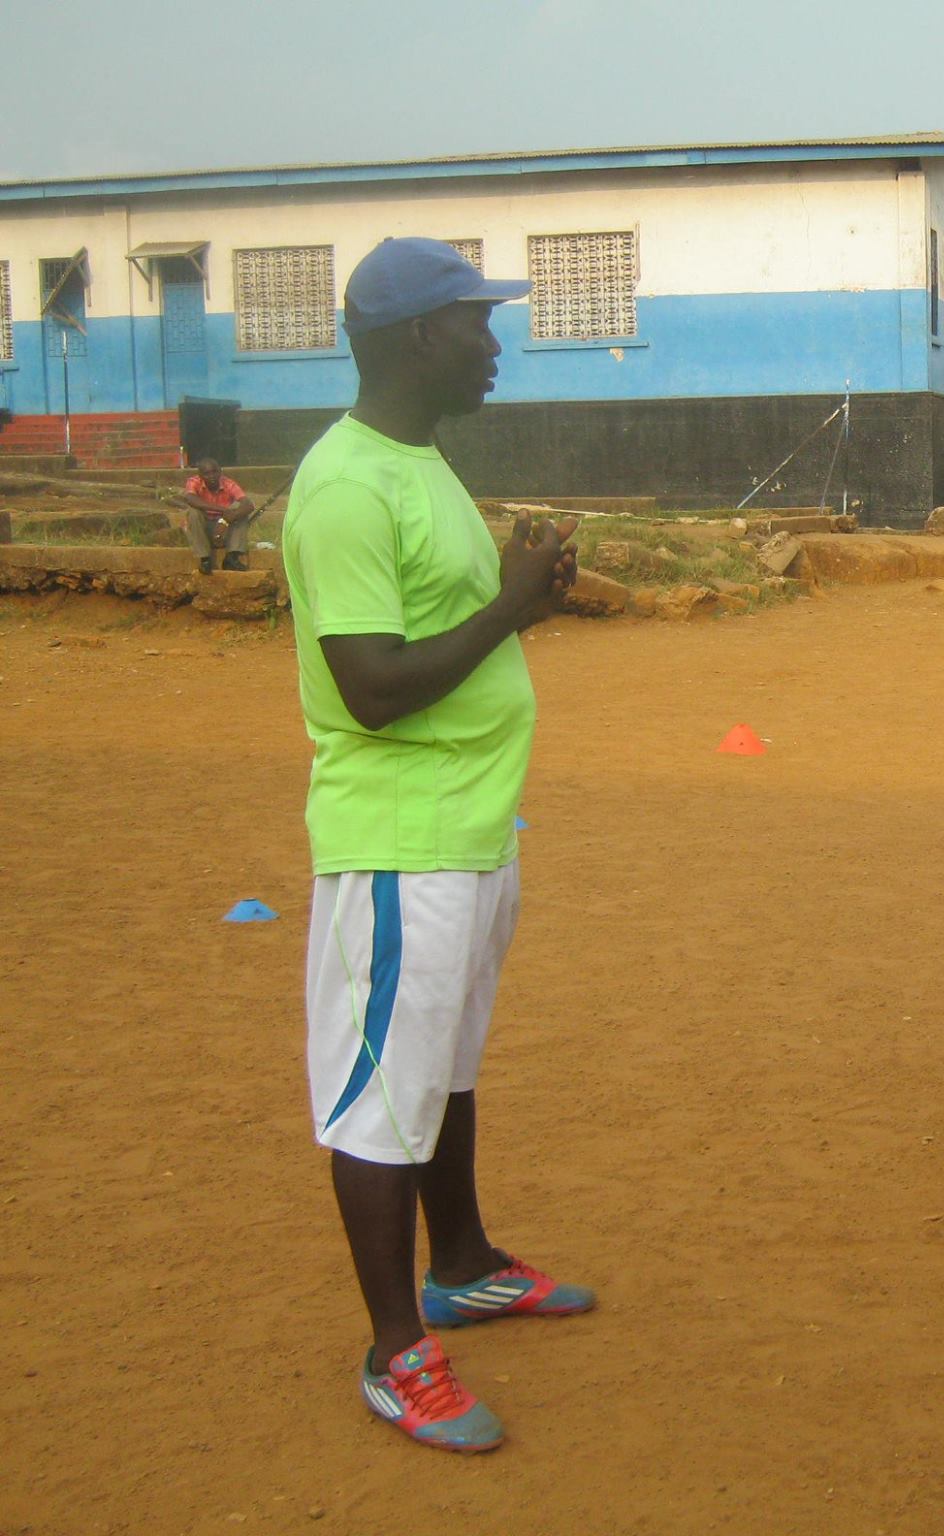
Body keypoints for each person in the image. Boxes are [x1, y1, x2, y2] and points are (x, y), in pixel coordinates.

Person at [283, 238, 590, 1455]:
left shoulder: (418, 461)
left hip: (468, 829)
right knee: (384, 1100)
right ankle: (394, 1348)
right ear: (419, 338)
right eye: (477, 321)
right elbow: (366, 688)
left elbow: (443, 636)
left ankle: (459, 1261)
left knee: (447, 1064)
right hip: (400, 841)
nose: (495, 342)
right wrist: (511, 606)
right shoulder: (348, 486)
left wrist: (528, 601)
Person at [180, 457, 258, 573]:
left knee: (239, 508)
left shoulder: (228, 484)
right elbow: (191, 499)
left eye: (214, 472)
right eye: (207, 473)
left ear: (220, 471)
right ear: (200, 475)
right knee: (193, 512)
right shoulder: (193, 482)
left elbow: (248, 504)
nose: (212, 476)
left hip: (225, 531)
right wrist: (223, 511)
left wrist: (225, 520)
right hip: (204, 530)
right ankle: (205, 559)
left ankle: (232, 557)